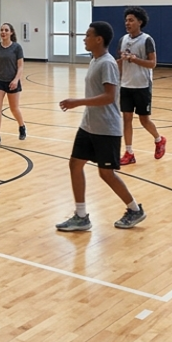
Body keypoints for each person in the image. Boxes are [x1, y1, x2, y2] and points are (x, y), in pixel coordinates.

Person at [55, 20, 147, 232]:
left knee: (106, 173)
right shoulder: (95, 61)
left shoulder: (107, 63)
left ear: (99, 39)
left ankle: (134, 209)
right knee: (75, 164)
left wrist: (77, 102)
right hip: (88, 126)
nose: (84, 39)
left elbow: (109, 96)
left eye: (88, 35)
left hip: (106, 129)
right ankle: (81, 216)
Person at [118, 6, 164, 165]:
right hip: (126, 85)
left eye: (131, 20)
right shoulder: (123, 40)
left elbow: (153, 63)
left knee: (144, 120)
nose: (127, 23)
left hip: (142, 85)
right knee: (126, 119)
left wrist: (134, 59)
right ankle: (129, 152)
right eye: (126, 20)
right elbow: (121, 62)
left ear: (140, 22)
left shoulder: (147, 40)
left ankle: (159, 139)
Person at [0, 23, 26, 146]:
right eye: (1, 30)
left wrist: (16, 80)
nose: (3, 32)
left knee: (14, 108)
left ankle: (22, 126)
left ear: (11, 32)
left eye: (6, 30)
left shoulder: (17, 48)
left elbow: (20, 66)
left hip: (12, 81)